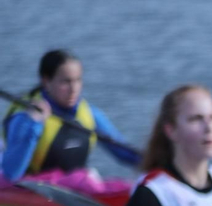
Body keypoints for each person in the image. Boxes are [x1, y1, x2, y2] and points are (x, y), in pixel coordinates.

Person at [2, 49, 140, 182]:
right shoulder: (24, 117)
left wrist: (156, 160)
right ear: (46, 81)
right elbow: (10, 173)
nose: (74, 89)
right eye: (66, 82)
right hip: (31, 192)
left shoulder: (89, 114)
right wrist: (34, 125)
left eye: (78, 80)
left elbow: (124, 152)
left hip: (71, 191)